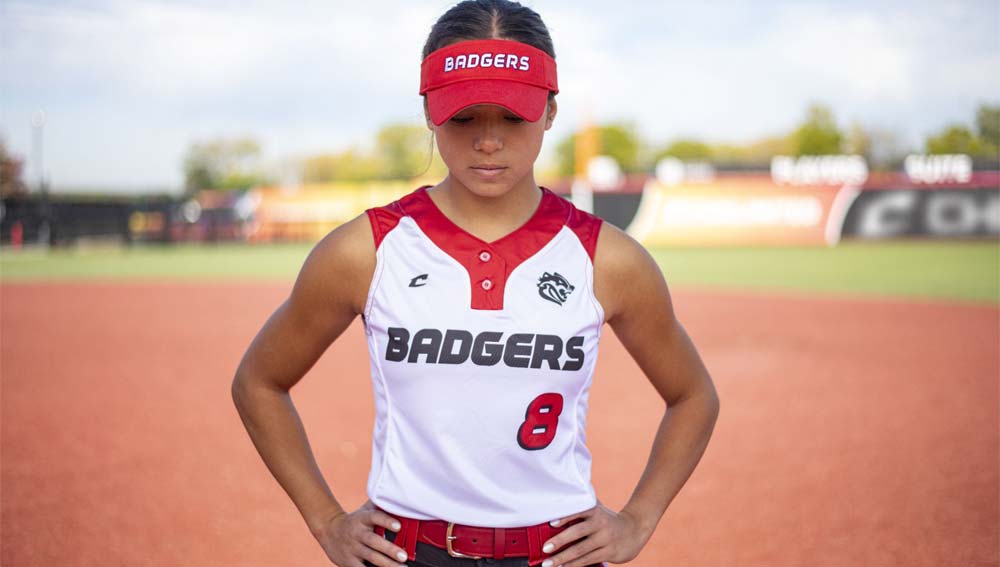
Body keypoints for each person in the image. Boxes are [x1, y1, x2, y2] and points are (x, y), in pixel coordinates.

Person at [230, 1, 720, 566]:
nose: (488, 141)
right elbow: (259, 381)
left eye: (512, 117)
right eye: (464, 118)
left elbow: (692, 396)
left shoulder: (607, 259)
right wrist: (326, 522)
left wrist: (637, 519)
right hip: (409, 553)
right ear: (430, 112)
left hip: (556, 554)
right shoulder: (366, 250)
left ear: (551, 111)